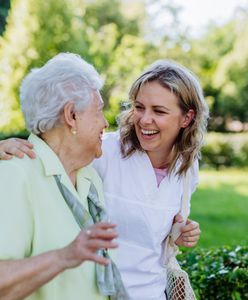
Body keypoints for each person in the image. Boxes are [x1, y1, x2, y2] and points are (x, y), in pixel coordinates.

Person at [0, 59, 205, 300]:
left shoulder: (184, 170)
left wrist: (176, 232)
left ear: (186, 118)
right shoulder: (98, 154)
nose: (143, 119)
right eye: (139, 107)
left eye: (158, 111)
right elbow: (55, 143)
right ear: (71, 115)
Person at [0, 53, 124, 300]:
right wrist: (65, 256)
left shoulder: (90, 179)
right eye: (98, 110)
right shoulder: (14, 173)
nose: (105, 123)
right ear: (71, 116)